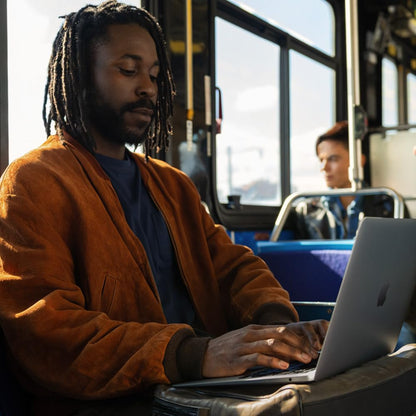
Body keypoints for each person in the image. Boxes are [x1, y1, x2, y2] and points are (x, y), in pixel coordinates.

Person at [0, 2, 327, 415]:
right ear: (82, 74)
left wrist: (276, 325)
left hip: (201, 387)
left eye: (154, 75)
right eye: (128, 70)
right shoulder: (33, 181)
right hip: (119, 400)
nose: (148, 88)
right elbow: (45, 331)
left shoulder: (172, 184)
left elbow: (233, 267)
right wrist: (192, 354)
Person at [295, 120, 396, 239]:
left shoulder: (387, 205)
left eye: (333, 159)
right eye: (321, 160)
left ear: (358, 161)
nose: (324, 168)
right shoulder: (307, 211)